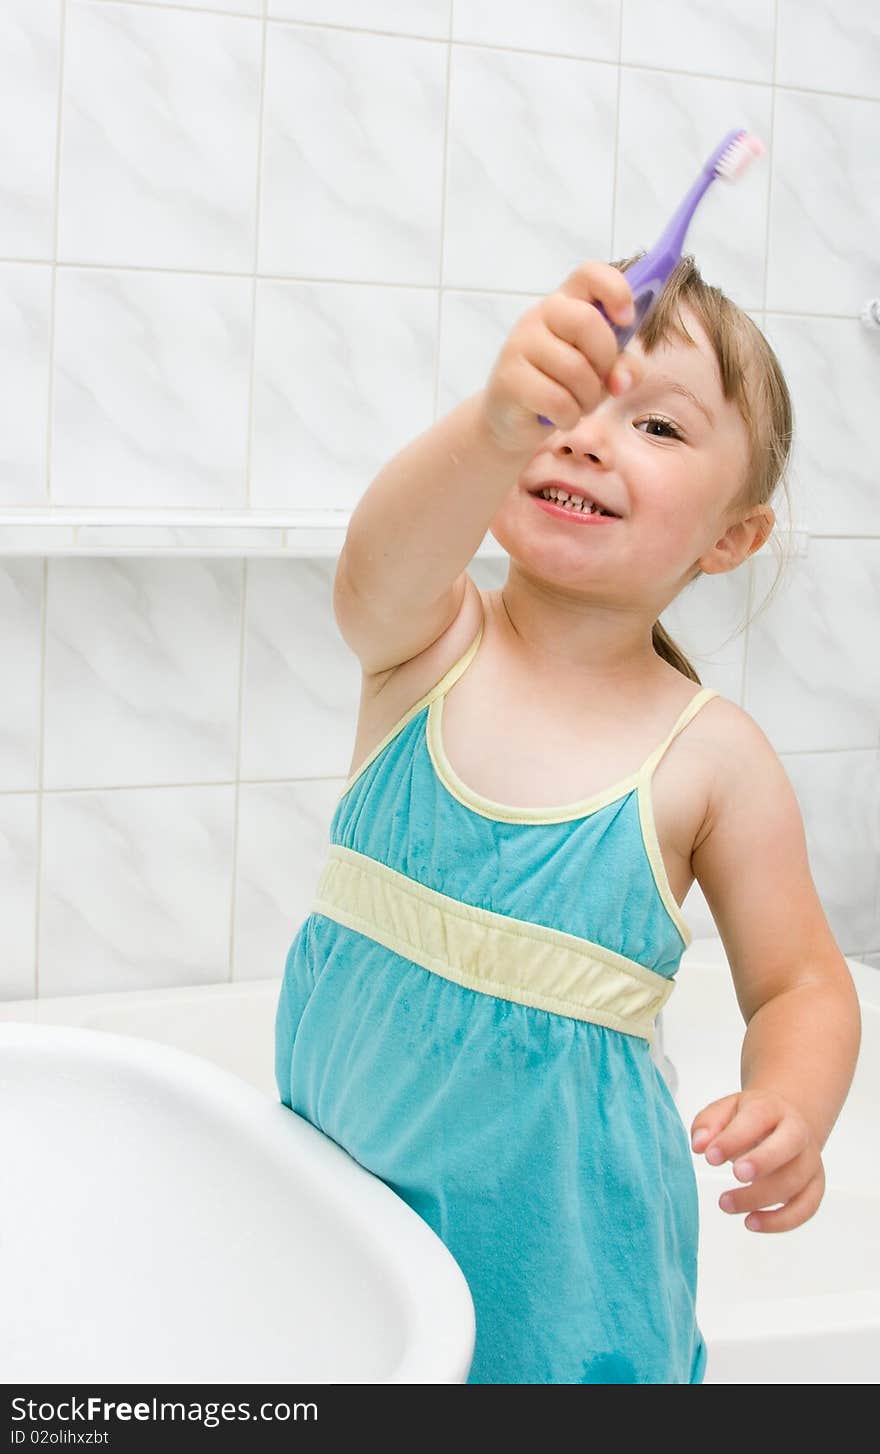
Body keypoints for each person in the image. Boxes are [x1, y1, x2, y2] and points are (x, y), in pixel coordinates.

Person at [274, 253, 861, 1385]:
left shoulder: (711, 758)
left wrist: (791, 1101)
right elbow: (375, 558)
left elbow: (801, 981)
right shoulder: (428, 646)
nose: (587, 435)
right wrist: (494, 420)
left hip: (560, 1280)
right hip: (341, 1215)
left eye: (656, 426)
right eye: (568, 401)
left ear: (731, 538)